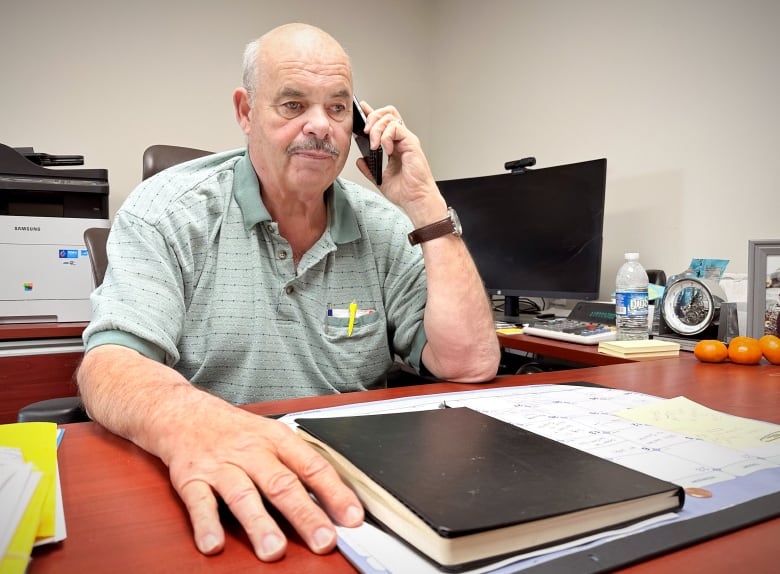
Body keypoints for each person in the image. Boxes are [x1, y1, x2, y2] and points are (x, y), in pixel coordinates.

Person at [77, 23, 500, 563]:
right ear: (246, 112)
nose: (320, 127)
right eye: (293, 104)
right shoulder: (167, 211)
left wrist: (424, 204)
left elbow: (470, 364)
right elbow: (109, 365)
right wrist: (194, 420)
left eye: (338, 109)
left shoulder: (388, 226)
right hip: (210, 471)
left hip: (353, 490)